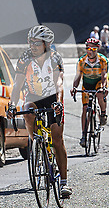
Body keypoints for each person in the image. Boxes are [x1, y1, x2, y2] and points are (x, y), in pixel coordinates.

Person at [7, 25, 72, 198]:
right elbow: (18, 84)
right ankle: (35, 141)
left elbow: (59, 83)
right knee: (27, 111)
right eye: (31, 42)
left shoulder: (54, 57)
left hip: (52, 97)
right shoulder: (25, 58)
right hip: (34, 96)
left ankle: (64, 182)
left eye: (37, 42)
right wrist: (12, 105)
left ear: (46, 44)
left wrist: (58, 102)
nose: (33, 46)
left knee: (57, 138)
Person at [70, 38, 109, 148]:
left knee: (100, 94)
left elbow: (104, 75)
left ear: (97, 49)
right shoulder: (82, 61)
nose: (89, 51)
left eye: (92, 48)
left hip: (98, 83)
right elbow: (78, 76)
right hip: (86, 84)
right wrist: (74, 87)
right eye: (87, 48)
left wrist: (104, 87)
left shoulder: (102, 60)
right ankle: (83, 135)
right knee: (85, 109)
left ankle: (103, 113)